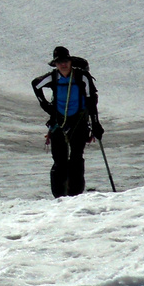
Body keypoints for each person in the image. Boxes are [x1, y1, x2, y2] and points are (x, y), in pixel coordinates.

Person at [32, 46, 103, 197]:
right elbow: (35, 84)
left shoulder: (82, 76)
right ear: (56, 64)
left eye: (65, 61)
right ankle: (59, 197)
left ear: (70, 61)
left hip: (79, 122)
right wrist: (44, 104)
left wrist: (95, 122)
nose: (63, 65)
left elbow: (91, 101)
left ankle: (75, 194)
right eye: (59, 62)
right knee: (59, 160)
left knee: (76, 157)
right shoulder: (53, 77)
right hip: (59, 122)